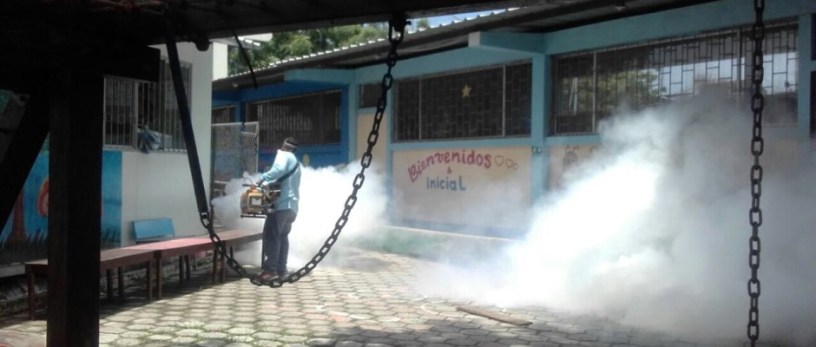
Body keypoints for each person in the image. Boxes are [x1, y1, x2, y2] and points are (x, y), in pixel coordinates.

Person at [256, 137, 301, 281]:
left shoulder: (283, 155)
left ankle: (270, 270)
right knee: (282, 237)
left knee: (272, 236)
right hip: (292, 207)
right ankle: (282, 269)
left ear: (283, 146)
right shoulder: (296, 163)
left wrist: (263, 177)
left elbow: (278, 169)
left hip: (281, 205)